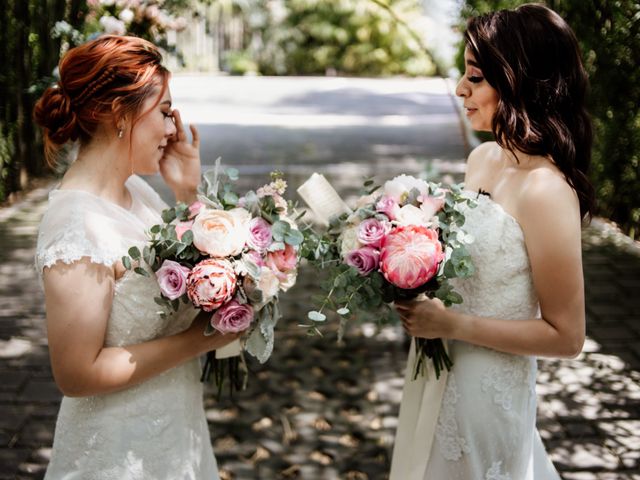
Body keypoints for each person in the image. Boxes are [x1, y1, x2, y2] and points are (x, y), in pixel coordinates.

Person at [390, 4, 593, 479]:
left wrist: (452, 325)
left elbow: (568, 337)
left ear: (520, 81)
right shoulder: (482, 159)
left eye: (476, 78)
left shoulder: (546, 191)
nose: (461, 88)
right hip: (435, 371)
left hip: (488, 390)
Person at [34, 35, 240, 479]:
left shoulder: (138, 193)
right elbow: (76, 374)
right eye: (164, 111)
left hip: (175, 429)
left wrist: (188, 192)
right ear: (117, 112)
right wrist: (203, 340)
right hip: (117, 451)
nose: (172, 129)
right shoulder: (75, 224)